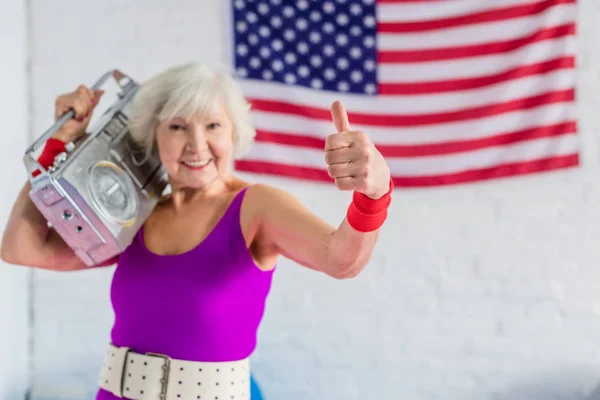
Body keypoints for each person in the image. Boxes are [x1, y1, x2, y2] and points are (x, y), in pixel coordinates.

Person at [0, 62, 393, 400]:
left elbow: (341, 260)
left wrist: (374, 194)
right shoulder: (138, 213)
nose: (196, 144)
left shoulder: (257, 206)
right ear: (153, 136)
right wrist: (58, 145)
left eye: (212, 124)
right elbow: (21, 248)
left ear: (233, 132)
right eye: (177, 126)